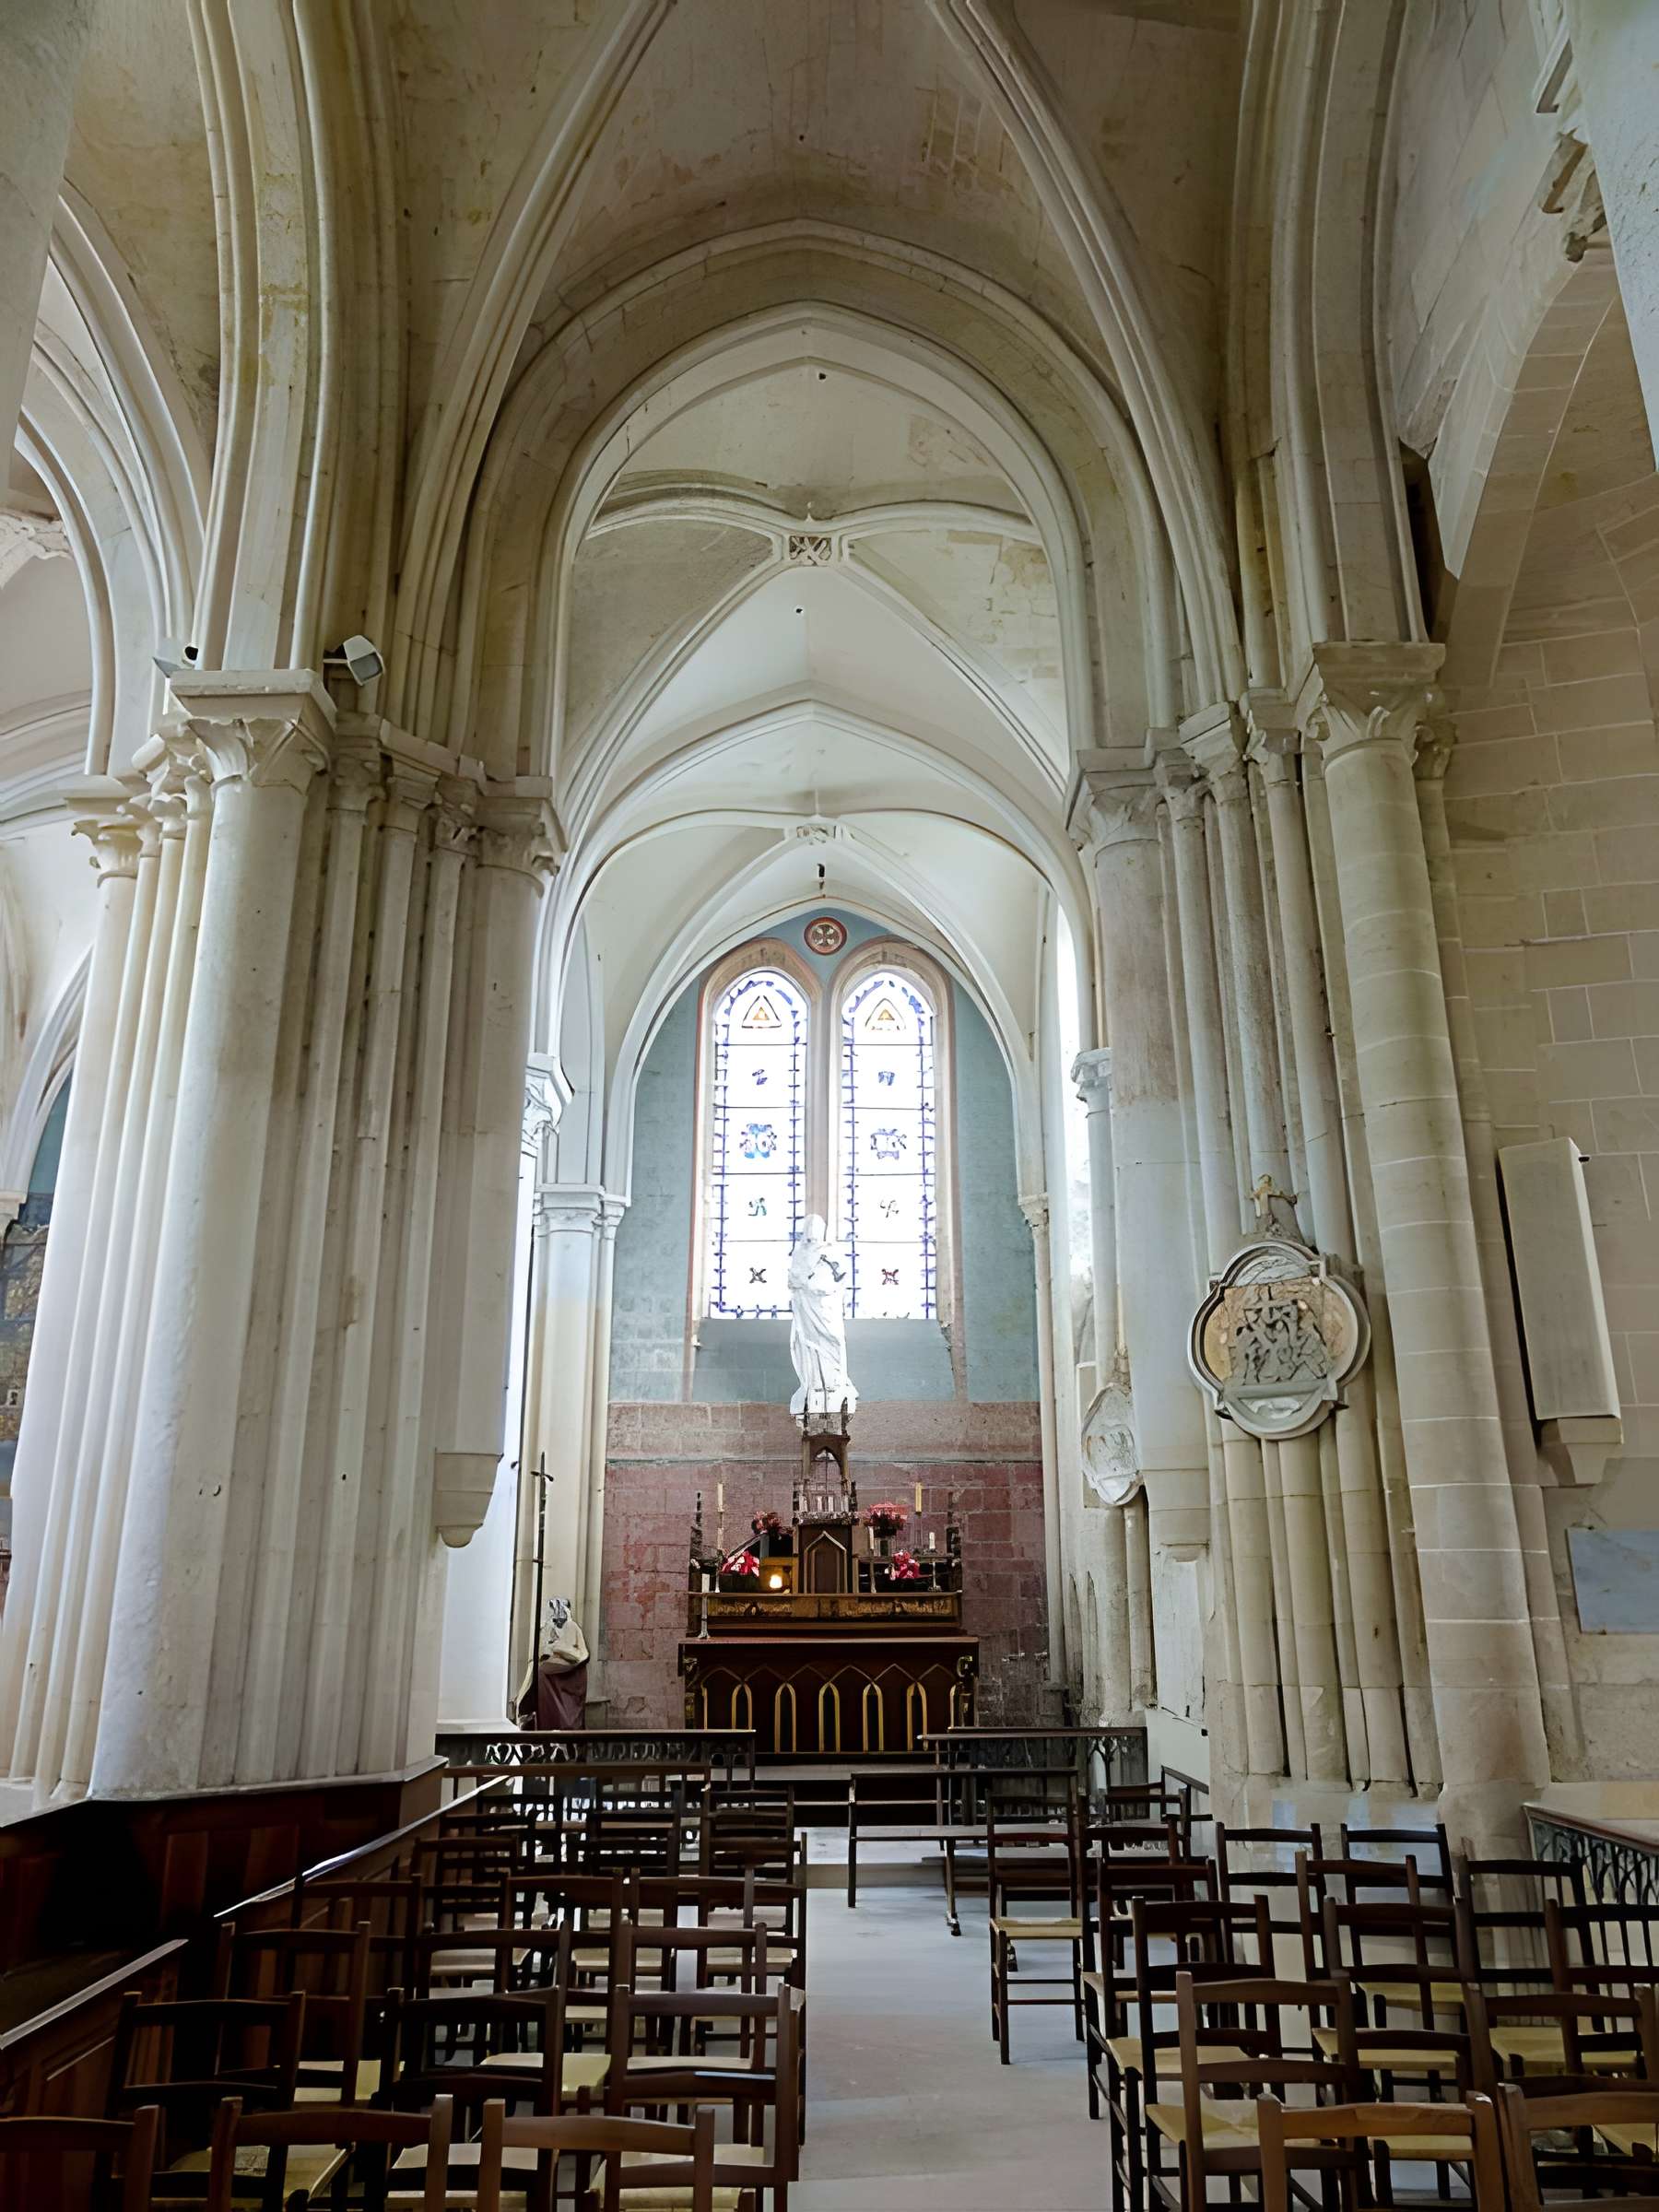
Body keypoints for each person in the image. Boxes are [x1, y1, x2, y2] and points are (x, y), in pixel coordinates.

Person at [787, 1213, 858, 1418]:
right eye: (808, 1228)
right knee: (808, 1345)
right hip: (806, 1309)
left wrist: (816, 1284)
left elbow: (839, 1279)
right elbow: (793, 1280)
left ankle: (835, 1385)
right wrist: (804, 1280)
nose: (812, 1233)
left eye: (815, 1228)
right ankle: (813, 1386)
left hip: (827, 1308)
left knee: (833, 1341)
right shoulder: (799, 1252)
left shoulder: (831, 1251)